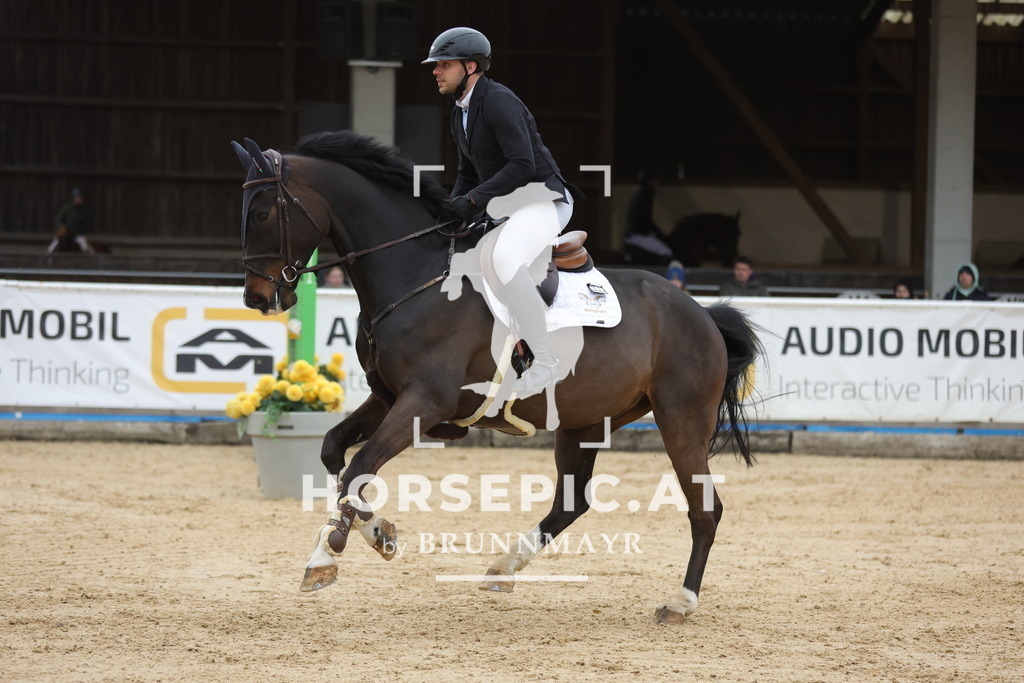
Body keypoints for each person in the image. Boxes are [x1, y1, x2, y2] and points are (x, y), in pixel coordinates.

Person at [424, 27, 582, 398]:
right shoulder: (460, 112)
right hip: (508, 207)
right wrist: (451, 209)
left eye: (443, 65)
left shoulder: (498, 101)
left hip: (543, 200)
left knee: (506, 258)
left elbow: (522, 166)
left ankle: (545, 362)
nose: (435, 71)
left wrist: (473, 201)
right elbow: (467, 172)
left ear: (470, 66)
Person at [622, 169, 673, 265]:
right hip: (637, 235)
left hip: (637, 234)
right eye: (655, 181)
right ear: (649, 182)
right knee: (666, 252)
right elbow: (647, 221)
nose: (657, 184)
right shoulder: (645, 196)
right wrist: (661, 235)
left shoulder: (641, 194)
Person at [48, 187, 95, 254]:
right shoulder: (67, 207)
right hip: (66, 232)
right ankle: (49, 258)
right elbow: (59, 219)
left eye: (80, 197)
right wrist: (62, 226)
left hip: (78, 234)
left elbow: (88, 225)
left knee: (85, 247)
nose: (78, 199)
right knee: (52, 246)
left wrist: (80, 230)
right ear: (73, 198)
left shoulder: (85, 210)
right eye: (77, 197)